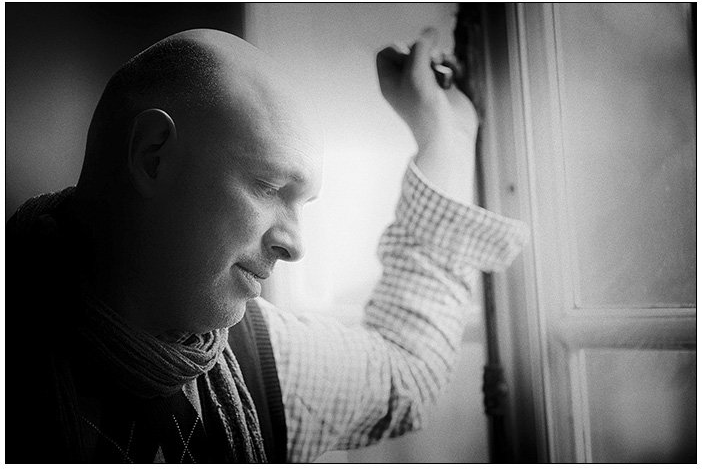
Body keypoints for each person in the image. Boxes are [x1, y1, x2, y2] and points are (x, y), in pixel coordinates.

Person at [6, 28, 528, 463]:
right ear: (153, 155)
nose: (296, 246)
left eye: (304, 204)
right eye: (269, 186)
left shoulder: (256, 356)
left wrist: (447, 138)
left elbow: (405, 372)